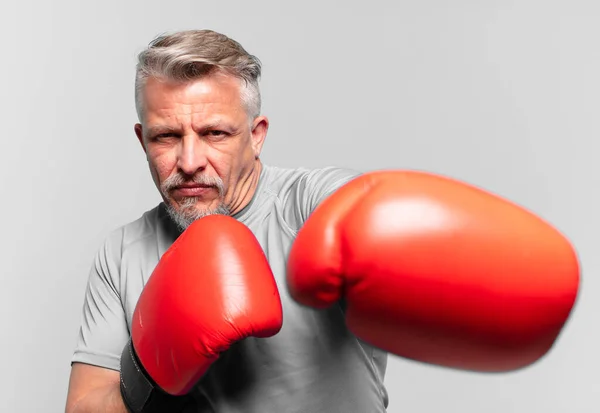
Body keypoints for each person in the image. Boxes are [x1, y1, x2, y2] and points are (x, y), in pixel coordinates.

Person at [64, 29, 580, 413]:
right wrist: (149, 361)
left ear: (257, 133)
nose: (191, 160)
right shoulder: (122, 252)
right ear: (141, 139)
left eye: (216, 133)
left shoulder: (311, 206)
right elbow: (86, 406)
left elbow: (365, 210)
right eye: (166, 137)